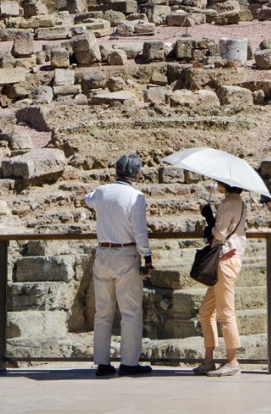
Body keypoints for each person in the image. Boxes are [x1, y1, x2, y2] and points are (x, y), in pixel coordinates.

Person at [84, 153, 154, 378]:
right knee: (130, 311)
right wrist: (147, 258)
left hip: (103, 253)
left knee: (103, 311)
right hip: (125, 254)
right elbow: (140, 232)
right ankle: (129, 362)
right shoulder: (136, 196)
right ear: (137, 174)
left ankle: (102, 363)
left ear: (116, 171)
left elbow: (87, 199)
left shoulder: (102, 191)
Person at [193, 181, 247, 377]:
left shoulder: (228, 203)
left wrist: (208, 216)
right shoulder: (239, 202)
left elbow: (220, 233)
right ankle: (208, 360)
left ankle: (232, 361)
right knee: (206, 312)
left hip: (225, 259)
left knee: (225, 312)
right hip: (230, 259)